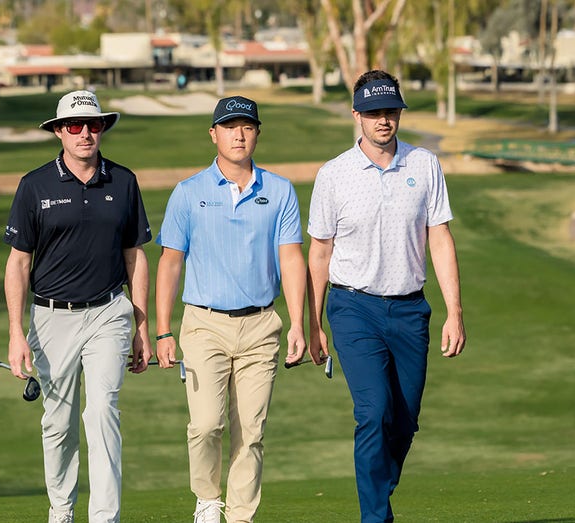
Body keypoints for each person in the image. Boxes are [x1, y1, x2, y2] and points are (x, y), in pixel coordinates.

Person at [306, 70, 466, 523]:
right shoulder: (334, 175)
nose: (383, 120)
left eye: (390, 111)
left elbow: (440, 238)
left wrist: (455, 312)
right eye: (374, 112)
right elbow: (319, 253)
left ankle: (379, 494)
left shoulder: (424, 164)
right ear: (357, 115)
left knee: (405, 418)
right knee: (374, 411)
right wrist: (313, 323)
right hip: (353, 306)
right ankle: (374, 517)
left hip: (411, 308)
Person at [154, 96, 307, 523]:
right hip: (203, 324)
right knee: (206, 425)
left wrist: (299, 324)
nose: (238, 135)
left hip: (261, 325)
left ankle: (241, 516)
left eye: (247, 126)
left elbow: (292, 259)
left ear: (257, 132)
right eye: (229, 127)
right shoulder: (188, 193)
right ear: (214, 134)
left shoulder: (279, 191)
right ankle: (206, 497)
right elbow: (170, 261)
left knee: (251, 432)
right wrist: (163, 330)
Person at [3, 90, 153, 523]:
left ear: (102, 128)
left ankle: (105, 517)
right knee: (59, 423)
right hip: (51, 317)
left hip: (109, 311)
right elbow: (18, 262)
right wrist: (16, 332)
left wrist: (141, 325)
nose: (85, 133)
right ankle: (62, 512)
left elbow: (135, 256)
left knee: (102, 411)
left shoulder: (123, 181)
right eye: (74, 126)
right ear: (58, 132)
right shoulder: (35, 185)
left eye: (93, 125)